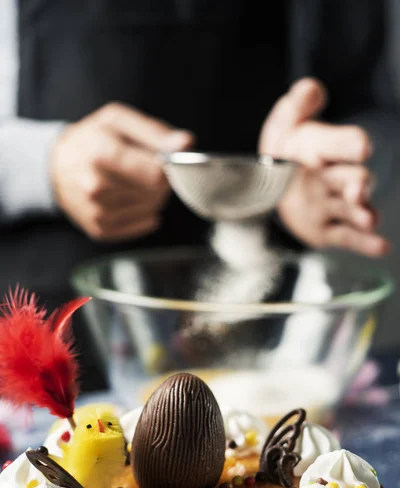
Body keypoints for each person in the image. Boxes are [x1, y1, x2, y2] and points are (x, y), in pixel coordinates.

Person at [0, 0, 394, 388]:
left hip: (263, 344)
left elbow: (370, 101)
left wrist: (319, 171)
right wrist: (42, 163)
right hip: (46, 338)